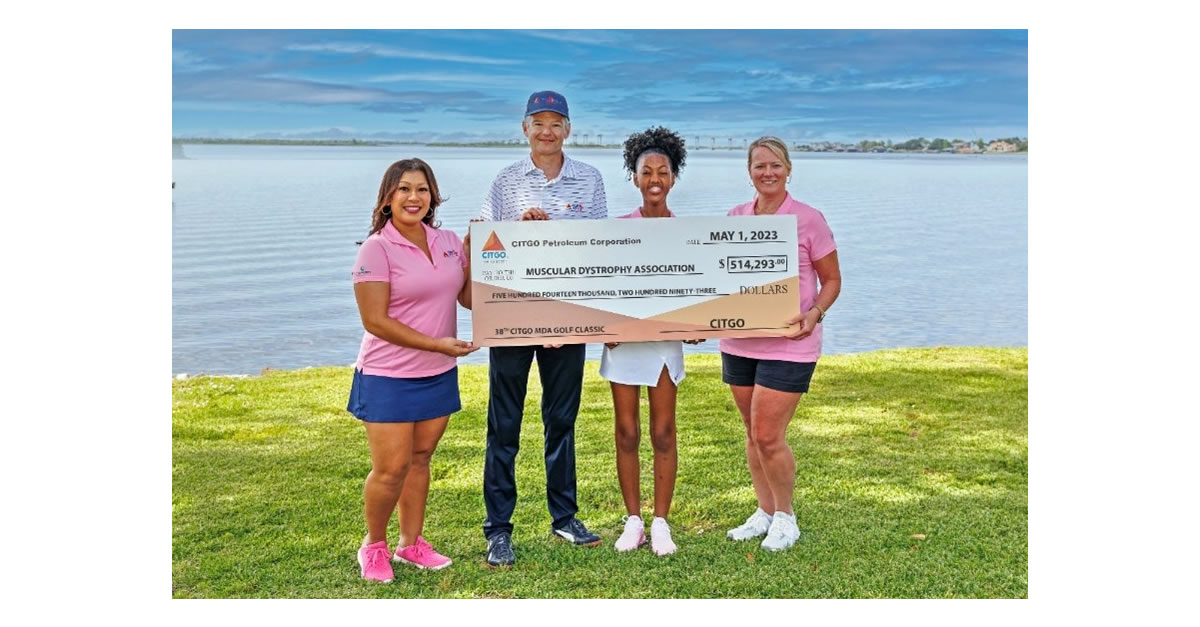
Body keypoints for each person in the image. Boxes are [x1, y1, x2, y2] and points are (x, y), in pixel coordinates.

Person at [478, 90, 607, 567]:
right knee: (504, 424)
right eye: (539, 122)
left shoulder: (589, 179)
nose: (547, 130)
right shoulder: (506, 180)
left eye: (557, 122)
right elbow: (488, 247)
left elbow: (600, 246)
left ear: (568, 129)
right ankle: (498, 529)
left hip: (567, 317)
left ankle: (564, 518)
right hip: (514, 316)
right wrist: (519, 225)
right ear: (525, 128)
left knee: (561, 421)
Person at [348, 158, 477, 582]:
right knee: (391, 468)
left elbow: (470, 300)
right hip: (389, 375)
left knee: (420, 459)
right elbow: (375, 321)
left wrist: (477, 255)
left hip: (438, 371)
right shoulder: (376, 248)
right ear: (387, 198)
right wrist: (436, 344)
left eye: (421, 189)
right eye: (403, 189)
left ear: (432, 196)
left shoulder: (448, 241)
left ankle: (411, 543)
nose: (413, 198)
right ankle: (374, 546)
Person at [721, 137, 842, 552]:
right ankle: (765, 512)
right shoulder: (735, 218)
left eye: (775, 165)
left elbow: (833, 281)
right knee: (752, 434)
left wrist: (814, 315)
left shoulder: (808, 219)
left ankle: (786, 518)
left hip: (791, 343)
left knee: (769, 434)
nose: (767, 172)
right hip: (739, 341)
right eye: (759, 166)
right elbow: (718, 279)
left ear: (788, 169)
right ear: (749, 172)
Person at [601, 127, 700, 556]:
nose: (655, 178)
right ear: (635, 177)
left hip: (663, 346)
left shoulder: (689, 235)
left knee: (662, 432)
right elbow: (599, 287)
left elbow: (699, 293)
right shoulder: (616, 230)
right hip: (624, 345)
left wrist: (700, 324)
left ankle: (661, 521)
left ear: (674, 177)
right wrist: (606, 327)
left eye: (663, 171)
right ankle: (633, 520)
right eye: (646, 171)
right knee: (626, 433)